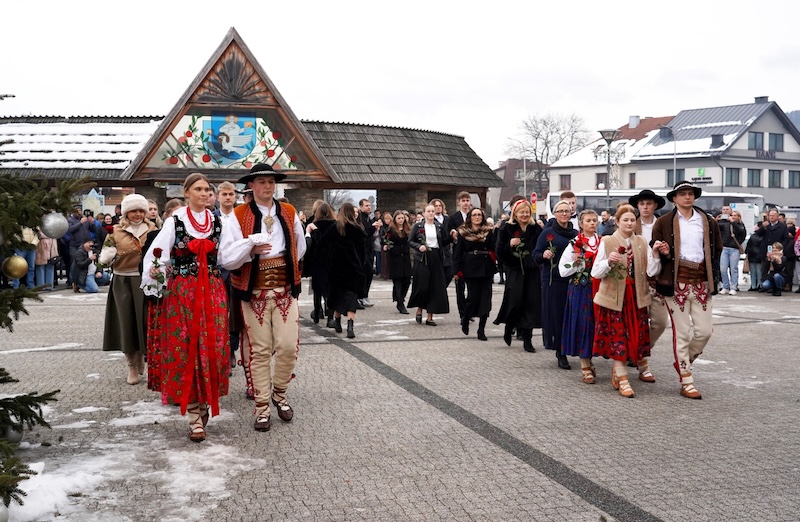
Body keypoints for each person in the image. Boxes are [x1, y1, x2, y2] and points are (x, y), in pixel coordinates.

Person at [142, 173, 229, 442]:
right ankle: (194, 415)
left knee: (211, 347)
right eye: (198, 189)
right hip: (183, 293)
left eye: (207, 189)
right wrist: (155, 286)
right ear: (187, 192)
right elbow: (157, 256)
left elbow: (227, 255)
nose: (204, 193)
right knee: (186, 347)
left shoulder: (218, 221)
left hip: (213, 291)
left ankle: (203, 405)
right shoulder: (175, 221)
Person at [218, 164, 305, 433]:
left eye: (271, 182)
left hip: (283, 291)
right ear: (252, 186)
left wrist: (284, 268)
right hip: (252, 292)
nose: (268, 187)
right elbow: (226, 257)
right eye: (262, 182)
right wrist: (250, 250)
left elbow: (299, 247)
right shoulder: (238, 214)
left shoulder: (288, 212)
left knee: (288, 346)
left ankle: (279, 393)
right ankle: (262, 406)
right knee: (260, 350)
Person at [652, 181, 722, 400]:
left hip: (702, 281)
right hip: (676, 282)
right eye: (682, 194)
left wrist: (713, 274)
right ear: (674, 198)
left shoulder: (708, 221)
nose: (687, 197)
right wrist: (661, 250)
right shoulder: (664, 222)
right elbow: (655, 245)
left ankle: (683, 361)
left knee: (704, 331)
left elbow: (717, 248)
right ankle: (686, 379)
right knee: (681, 334)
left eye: (690, 193)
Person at [591, 204, 664, 398]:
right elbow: (595, 272)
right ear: (617, 221)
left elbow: (650, 271)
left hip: (636, 296)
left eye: (633, 220)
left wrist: (655, 254)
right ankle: (623, 378)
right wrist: (608, 262)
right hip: (615, 298)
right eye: (626, 220)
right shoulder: (607, 241)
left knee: (636, 335)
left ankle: (627, 371)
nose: (630, 223)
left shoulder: (641, 241)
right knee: (618, 337)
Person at [99, 194, 158, 385]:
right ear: (126, 212)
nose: (138, 214)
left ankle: (146, 360)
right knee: (126, 323)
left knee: (146, 323)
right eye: (134, 211)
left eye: (141, 210)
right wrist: (107, 256)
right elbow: (104, 257)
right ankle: (132, 364)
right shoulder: (115, 231)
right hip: (123, 280)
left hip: (145, 281)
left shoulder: (153, 229)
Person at [628, 189, 668, 382]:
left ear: (655, 206)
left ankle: (638, 351)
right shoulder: (630, 224)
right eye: (642, 203)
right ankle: (642, 362)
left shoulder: (664, 225)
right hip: (635, 281)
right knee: (637, 323)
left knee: (660, 322)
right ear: (637, 206)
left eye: (649, 203)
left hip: (658, 281)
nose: (645, 207)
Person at [533, 199, 578, 369]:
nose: (564, 214)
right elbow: (535, 254)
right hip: (553, 279)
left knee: (571, 315)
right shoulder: (547, 233)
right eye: (561, 211)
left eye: (567, 211)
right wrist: (543, 255)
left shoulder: (575, 233)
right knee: (557, 315)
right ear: (555, 214)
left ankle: (572, 346)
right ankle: (560, 351)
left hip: (573, 279)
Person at [494, 200, 542, 352]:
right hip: (515, 269)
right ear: (515, 213)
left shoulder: (536, 229)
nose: (525, 215)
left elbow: (540, 247)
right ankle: (510, 326)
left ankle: (527, 339)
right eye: (521, 212)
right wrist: (509, 245)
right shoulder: (506, 228)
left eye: (527, 212)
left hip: (532, 270)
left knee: (530, 303)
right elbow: (499, 251)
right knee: (514, 301)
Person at [559, 209, 600, 382]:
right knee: (583, 323)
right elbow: (562, 271)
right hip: (580, 289)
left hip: (600, 288)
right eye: (588, 221)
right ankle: (585, 364)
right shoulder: (574, 243)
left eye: (594, 220)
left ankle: (591, 359)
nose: (592, 223)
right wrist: (577, 264)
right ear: (581, 224)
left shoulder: (603, 242)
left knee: (596, 324)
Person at [322, 202, 366, 338]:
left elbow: (323, 244)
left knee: (337, 297)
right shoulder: (358, 229)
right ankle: (350, 326)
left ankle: (338, 322)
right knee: (351, 297)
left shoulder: (334, 227)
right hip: (353, 268)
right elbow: (363, 251)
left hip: (336, 269)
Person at [453, 207, 496, 341]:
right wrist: (456, 271)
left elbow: (494, 247)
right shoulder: (463, 232)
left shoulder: (488, 231)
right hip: (470, 267)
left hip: (486, 267)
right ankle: (466, 317)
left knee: (486, 299)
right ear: (470, 217)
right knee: (473, 297)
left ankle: (481, 329)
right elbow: (458, 252)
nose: (477, 217)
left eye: (479, 215)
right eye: (474, 215)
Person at [408, 204, 450, 326]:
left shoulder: (439, 227)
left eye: (433, 211)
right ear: (424, 213)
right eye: (429, 211)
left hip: (436, 257)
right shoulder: (418, 226)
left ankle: (430, 316)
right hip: (422, 257)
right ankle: (420, 308)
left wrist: (453, 237)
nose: (431, 213)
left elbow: (444, 242)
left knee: (435, 286)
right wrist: (418, 247)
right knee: (423, 285)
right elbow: (410, 241)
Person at [305, 201, 336, 325]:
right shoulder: (335, 225)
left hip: (317, 261)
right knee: (330, 289)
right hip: (332, 261)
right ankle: (330, 316)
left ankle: (317, 312)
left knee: (317, 289)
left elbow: (312, 244)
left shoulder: (313, 225)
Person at [447, 192, 473, 320]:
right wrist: (453, 235)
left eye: (467, 200)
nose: (465, 203)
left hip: (472, 256)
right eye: (463, 200)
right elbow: (447, 238)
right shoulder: (453, 218)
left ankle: (469, 310)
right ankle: (462, 312)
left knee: (472, 287)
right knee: (460, 287)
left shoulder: (474, 216)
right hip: (459, 255)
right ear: (459, 202)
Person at [753, 209, 790, 290]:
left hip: (776, 251)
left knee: (776, 268)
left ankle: (776, 286)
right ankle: (764, 285)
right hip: (766, 250)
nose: (771, 217)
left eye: (773, 215)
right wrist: (763, 227)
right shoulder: (766, 225)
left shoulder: (783, 227)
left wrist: (779, 248)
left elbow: (786, 239)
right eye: (770, 215)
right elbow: (757, 234)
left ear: (777, 216)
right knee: (764, 268)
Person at [383, 210, 412, 314]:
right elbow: (386, 240)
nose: (401, 220)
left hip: (405, 257)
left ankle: (401, 298)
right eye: (399, 218)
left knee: (407, 280)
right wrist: (387, 246)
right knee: (398, 281)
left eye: (402, 218)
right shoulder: (391, 229)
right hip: (395, 258)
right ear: (395, 219)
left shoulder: (407, 229)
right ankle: (400, 303)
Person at [717, 206, 746, 295]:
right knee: (723, 269)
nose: (733, 217)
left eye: (735, 215)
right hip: (725, 248)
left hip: (734, 249)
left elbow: (741, 232)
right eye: (732, 215)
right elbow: (717, 228)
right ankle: (725, 286)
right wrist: (716, 220)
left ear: (738, 217)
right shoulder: (725, 223)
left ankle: (733, 287)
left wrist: (733, 222)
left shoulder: (740, 225)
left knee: (733, 269)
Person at [357, 199, 380, 307]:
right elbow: (364, 233)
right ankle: (360, 296)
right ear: (361, 207)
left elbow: (370, 234)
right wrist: (372, 228)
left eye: (370, 205)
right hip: (363, 250)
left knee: (369, 273)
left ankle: (365, 295)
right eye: (366, 205)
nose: (368, 207)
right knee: (364, 273)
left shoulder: (369, 218)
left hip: (370, 250)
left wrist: (376, 229)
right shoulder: (360, 219)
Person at [34, 227, 60, 291]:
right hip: (41, 249)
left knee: (50, 266)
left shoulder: (51, 225)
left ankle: (49, 285)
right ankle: (41, 286)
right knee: (40, 268)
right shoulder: (37, 226)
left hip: (51, 249)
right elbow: (38, 235)